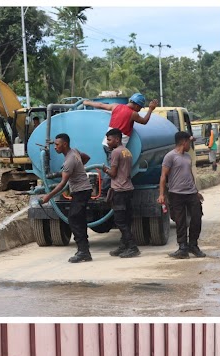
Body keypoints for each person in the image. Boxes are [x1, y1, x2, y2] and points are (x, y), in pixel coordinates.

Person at [40, 133, 93, 263]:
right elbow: (86, 157)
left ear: (65, 144)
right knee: (78, 219)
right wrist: (79, 169)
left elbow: (63, 183)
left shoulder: (69, 160)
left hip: (81, 191)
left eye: (57, 145)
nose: (55, 147)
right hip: (83, 190)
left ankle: (83, 252)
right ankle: (84, 251)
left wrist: (48, 196)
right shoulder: (74, 152)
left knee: (74, 219)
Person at [158, 131, 206, 259]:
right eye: (189, 142)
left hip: (191, 193)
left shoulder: (187, 157)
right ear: (183, 142)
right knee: (180, 222)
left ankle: (193, 245)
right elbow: (163, 176)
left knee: (196, 218)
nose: (190, 145)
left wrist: (196, 192)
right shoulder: (170, 156)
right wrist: (161, 194)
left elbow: (190, 175)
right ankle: (182, 248)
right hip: (176, 194)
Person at [103, 128, 139, 258]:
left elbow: (113, 173)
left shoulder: (115, 153)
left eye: (109, 139)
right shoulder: (126, 151)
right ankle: (123, 246)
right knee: (126, 219)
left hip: (120, 190)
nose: (107, 142)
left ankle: (132, 247)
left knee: (120, 221)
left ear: (117, 139)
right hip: (128, 188)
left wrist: (104, 169)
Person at [83, 93, 158, 152]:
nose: (140, 110)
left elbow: (100, 105)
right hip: (118, 148)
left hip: (107, 143)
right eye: (140, 108)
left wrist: (87, 102)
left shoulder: (115, 106)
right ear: (137, 106)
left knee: (112, 164)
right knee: (116, 166)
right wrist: (150, 109)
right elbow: (144, 121)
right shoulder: (133, 114)